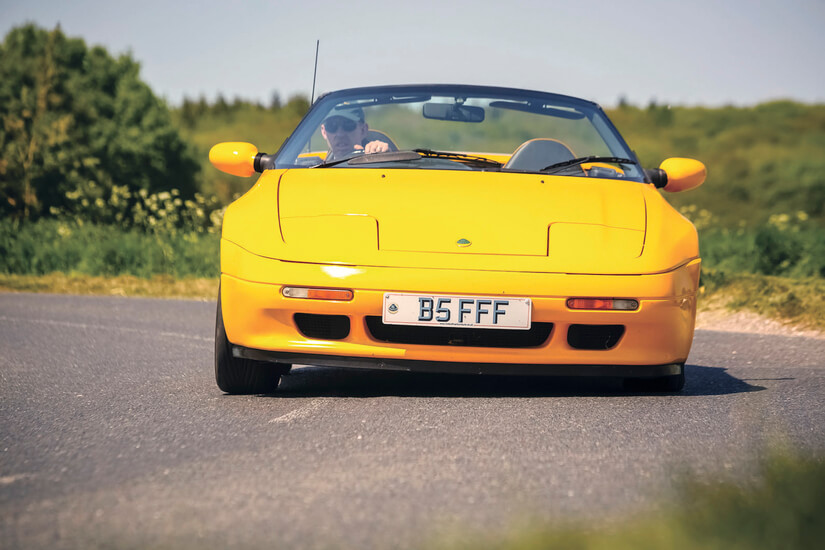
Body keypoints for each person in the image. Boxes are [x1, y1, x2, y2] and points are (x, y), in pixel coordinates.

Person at [320, 105, 390, 161]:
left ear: (363, 130)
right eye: (331, 126)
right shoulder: (314, 169)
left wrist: (384, 157)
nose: (340, 134)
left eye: (348, 125)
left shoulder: (376, 158)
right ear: (324, 132)